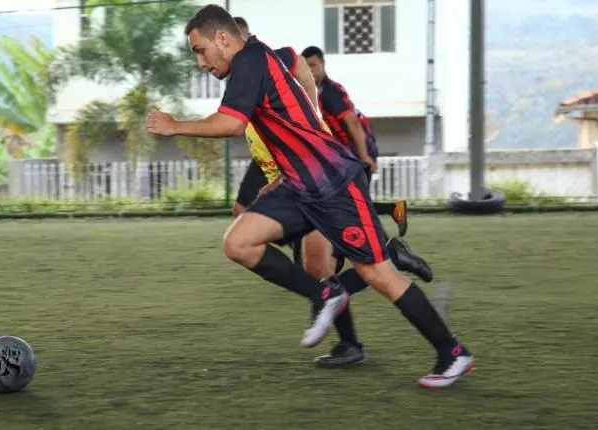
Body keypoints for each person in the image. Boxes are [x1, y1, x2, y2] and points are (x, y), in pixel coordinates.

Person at [147, 4, 474, 388]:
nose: (200, 62)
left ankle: (452, 352)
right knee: (239, 242)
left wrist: (174, 126)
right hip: (296, 185)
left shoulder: (249, 60)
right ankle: (326, 295)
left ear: (223, 38)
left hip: (333, 184)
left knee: (377, 275)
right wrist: (306, 119)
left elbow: (232, 124)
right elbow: (297, 66)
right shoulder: (256, 58)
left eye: (200, 51)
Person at [231, 16, 433, 367]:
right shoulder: (245, 84)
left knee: (326, 273)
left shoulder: (268, 67)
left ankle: (360, 337)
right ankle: (355, 327)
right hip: (294, 184)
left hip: (318, 182)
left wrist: (313, 113)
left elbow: (295, 64)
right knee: (319, 273)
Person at [300, 45, 407, 234]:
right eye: (306, 67)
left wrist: (364, 156)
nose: (310, 71)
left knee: (356, 206)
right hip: (348, 156)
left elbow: (353, 123)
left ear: (323, 64)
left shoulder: (331, 92)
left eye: (313, 65)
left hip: (357, 154)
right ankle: (390, 217)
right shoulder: (321, 92)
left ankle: (385, 239)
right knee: (354, 204)